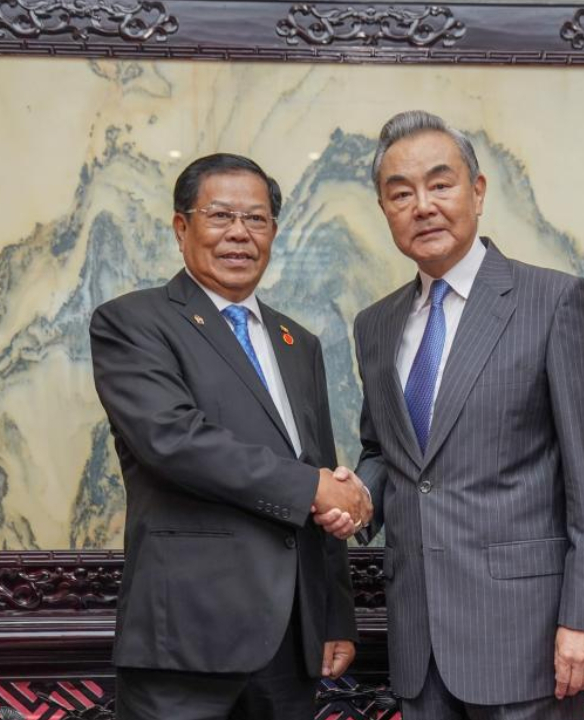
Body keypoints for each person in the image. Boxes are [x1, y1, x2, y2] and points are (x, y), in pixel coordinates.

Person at [317, 111, 584, 719]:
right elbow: (386, 451)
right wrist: (356, 499)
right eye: (400, 193)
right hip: (417, 637)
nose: (422, 205)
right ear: (384, 210)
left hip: (527, 637)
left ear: (477, 191)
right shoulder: (375, 325)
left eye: (440, 184)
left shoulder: (553, 301)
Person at [90, 153, 372, 720]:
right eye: (220, 216)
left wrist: (334, 615)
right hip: (187, 638)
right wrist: (315, 489)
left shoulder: (300, 342)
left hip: (291, 640)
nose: (240, 234)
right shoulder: (133, 322)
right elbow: (174, 440)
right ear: (181, 227)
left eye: (258, 219)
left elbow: (320, 465)